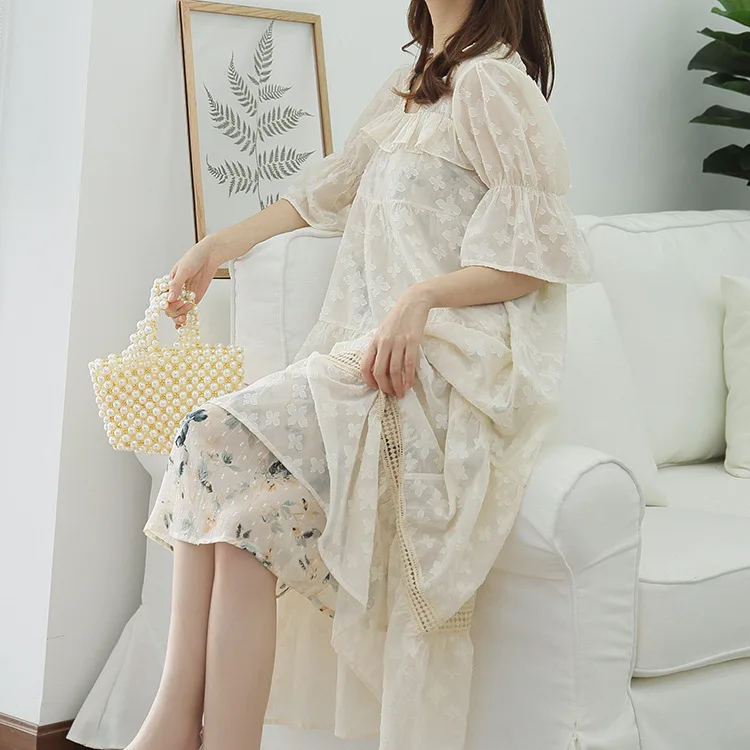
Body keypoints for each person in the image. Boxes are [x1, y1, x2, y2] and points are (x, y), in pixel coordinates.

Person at [133, 1, 593, 749]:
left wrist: (421, 298)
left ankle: (170, 727)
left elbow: (535, 258)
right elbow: (327, 192)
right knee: (251, 519)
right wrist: (216, 246)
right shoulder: (412, 83)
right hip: (371, 352)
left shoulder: (492, 83)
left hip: (437, 364)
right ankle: (196, 731)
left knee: (209, 431)